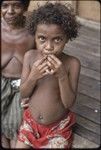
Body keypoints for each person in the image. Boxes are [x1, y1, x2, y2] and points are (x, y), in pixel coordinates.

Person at [16, 2, 81, 149]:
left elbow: (69, 103)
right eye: (42, 39)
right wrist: (33, 76)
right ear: (35, 36)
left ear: (67, 38)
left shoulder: (72, 63)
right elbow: (23, 93)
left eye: (57, 39)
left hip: (57, 129)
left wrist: (62, 76)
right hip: (30, 124)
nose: (49, 47)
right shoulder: (30, 57)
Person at [1, 0, 35, 148]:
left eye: (16, 5)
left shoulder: (33, 31)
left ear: (25, 7)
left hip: (23, 83)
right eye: (4, 6)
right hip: (1, 81)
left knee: (16, 123)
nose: (10, 11)